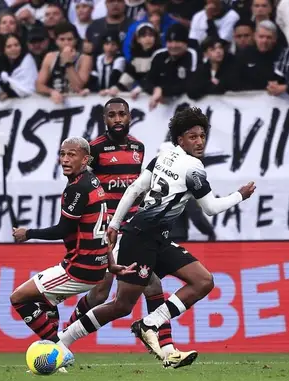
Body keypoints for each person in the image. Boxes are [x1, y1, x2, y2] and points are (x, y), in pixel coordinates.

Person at [55, 107, 256, 368]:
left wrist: (116, 224)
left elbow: (136, 187)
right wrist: (240, 195)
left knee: (203, 281)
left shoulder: (164, 156)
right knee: (121, 305)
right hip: (140, 239)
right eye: (192, 137)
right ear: (180, 139)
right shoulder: (193, 168)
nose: (199, 142)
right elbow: (210, 208)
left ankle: (151, 325)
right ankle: (62, 341)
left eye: (202, 136)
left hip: (155, 238)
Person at [65, 97, 196, 363]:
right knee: (102, 293)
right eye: (111, 115)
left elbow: (138, 187)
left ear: (129, 116)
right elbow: (81, 184)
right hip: (106, 229)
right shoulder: (95, 149)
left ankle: (168, 350)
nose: (116, 119)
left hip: (134, 227)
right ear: (105, 120)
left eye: (121, 114)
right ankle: (62, 339)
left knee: (153, 284)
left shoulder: (138, 147)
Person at [10, 136, 135, 370]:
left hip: (79, 268)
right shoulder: (94, 182)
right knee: (45, 303)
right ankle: (55, 359)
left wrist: (28, 233)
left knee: (18, 298)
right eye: (62, 154)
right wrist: (111, 264)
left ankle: (59, 350)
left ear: (85, 159)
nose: (65, 159)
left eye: (72, 155)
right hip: (95, 266)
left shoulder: (78, 188)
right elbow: (104, 228)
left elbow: (63, 229)